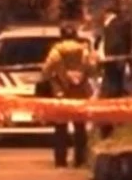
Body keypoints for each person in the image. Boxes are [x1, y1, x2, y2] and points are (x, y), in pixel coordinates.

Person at [39, 22, 97, 168]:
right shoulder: (84, 50)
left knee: (60, 129)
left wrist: (56, 78)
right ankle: (80, 159)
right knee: (80, 128)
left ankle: (61, 160)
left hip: (61, 93)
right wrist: (80, 76)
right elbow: (92, 69)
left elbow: (46, 71)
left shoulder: (56, 51)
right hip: (80, 93)